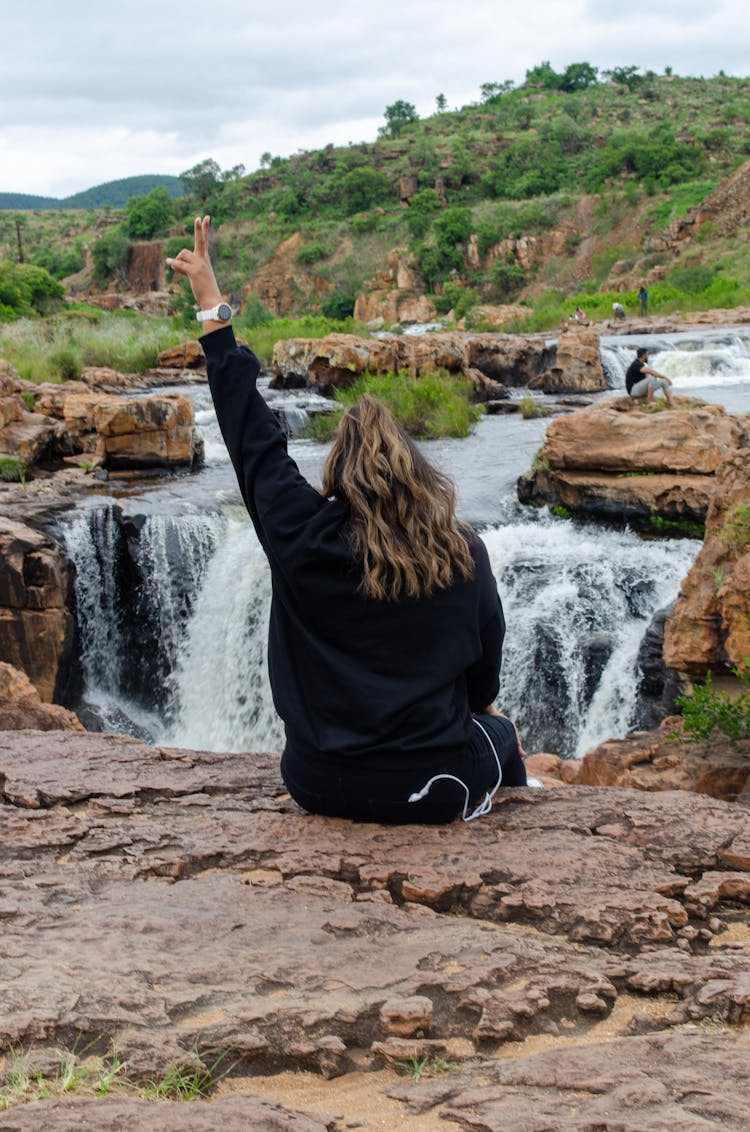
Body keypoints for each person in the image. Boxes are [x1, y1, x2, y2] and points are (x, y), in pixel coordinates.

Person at [167, 217, 534, 824]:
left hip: (316, 782)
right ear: (418, 474)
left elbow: (250, 436)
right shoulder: (462, 551)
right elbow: (482, 684)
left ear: (338, 473)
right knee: (501, 734)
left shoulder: (299, 534)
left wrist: (213, 305)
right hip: (435, 785)